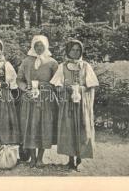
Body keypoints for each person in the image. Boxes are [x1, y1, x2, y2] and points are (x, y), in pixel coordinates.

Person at [50, 40, 99, 171]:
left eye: (78, 50)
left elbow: (92, 85)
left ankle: (80, 160)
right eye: (73, 50)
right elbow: (57, 84)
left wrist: (80, 89)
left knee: (82, 130)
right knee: (69, 130)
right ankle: (70, 159)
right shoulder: (63, 66)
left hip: (81, 105)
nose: (75, 52)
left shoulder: (86, 66)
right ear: (68, 51)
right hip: (67, 104)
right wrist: (64, 88)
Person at [16, 35, 58, 168]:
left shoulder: (52, 62)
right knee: (30, 127)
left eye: (42, 45)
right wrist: (25, 88)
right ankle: (32, 158)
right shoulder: (26, 61)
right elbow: (19, 79)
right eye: (36, 45)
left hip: (46, 99)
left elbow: (57, 82)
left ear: (46, 46)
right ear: (33, 46)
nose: (39, 48)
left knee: (43, 127)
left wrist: (46, 87)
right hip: (29, 98)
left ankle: (40, 158)